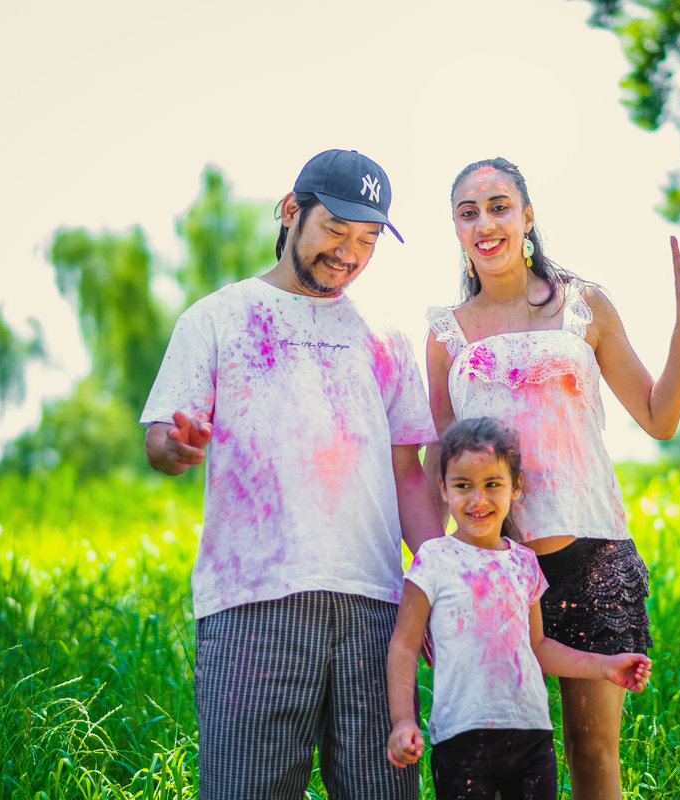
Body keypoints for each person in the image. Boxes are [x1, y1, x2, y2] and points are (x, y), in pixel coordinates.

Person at [140, 148, 442, 800]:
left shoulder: (384, 338)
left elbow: (409, 477)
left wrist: (443, 585)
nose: (350, 253)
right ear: (289, 210)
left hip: (376, 613)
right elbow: (161, 440)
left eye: (367, 240)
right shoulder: (216, 319)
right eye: (335, 229)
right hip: (251, 610)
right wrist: (178, 445)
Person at [423, 157, 680, 800]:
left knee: (593, 753)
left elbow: (658, 416)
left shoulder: (586, 306)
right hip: (495, 571)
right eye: (468, 213)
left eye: (499, 206)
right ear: (456, 229)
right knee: (498, 757)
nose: (485, 223)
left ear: (527, 216)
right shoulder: (446, 334)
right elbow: (437, 469)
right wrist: (434, 575)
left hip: (593, 558)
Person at [385, 416, 652, 800]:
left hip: (530, 739)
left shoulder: (524, 564)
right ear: (443, 488)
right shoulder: (434, 560)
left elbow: (538, 646)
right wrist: (403, 721)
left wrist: (605, 666)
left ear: (516, 488)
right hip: (461, 739)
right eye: (463, 486)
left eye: (492, 484)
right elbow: (405, 646)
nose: (478, 499)